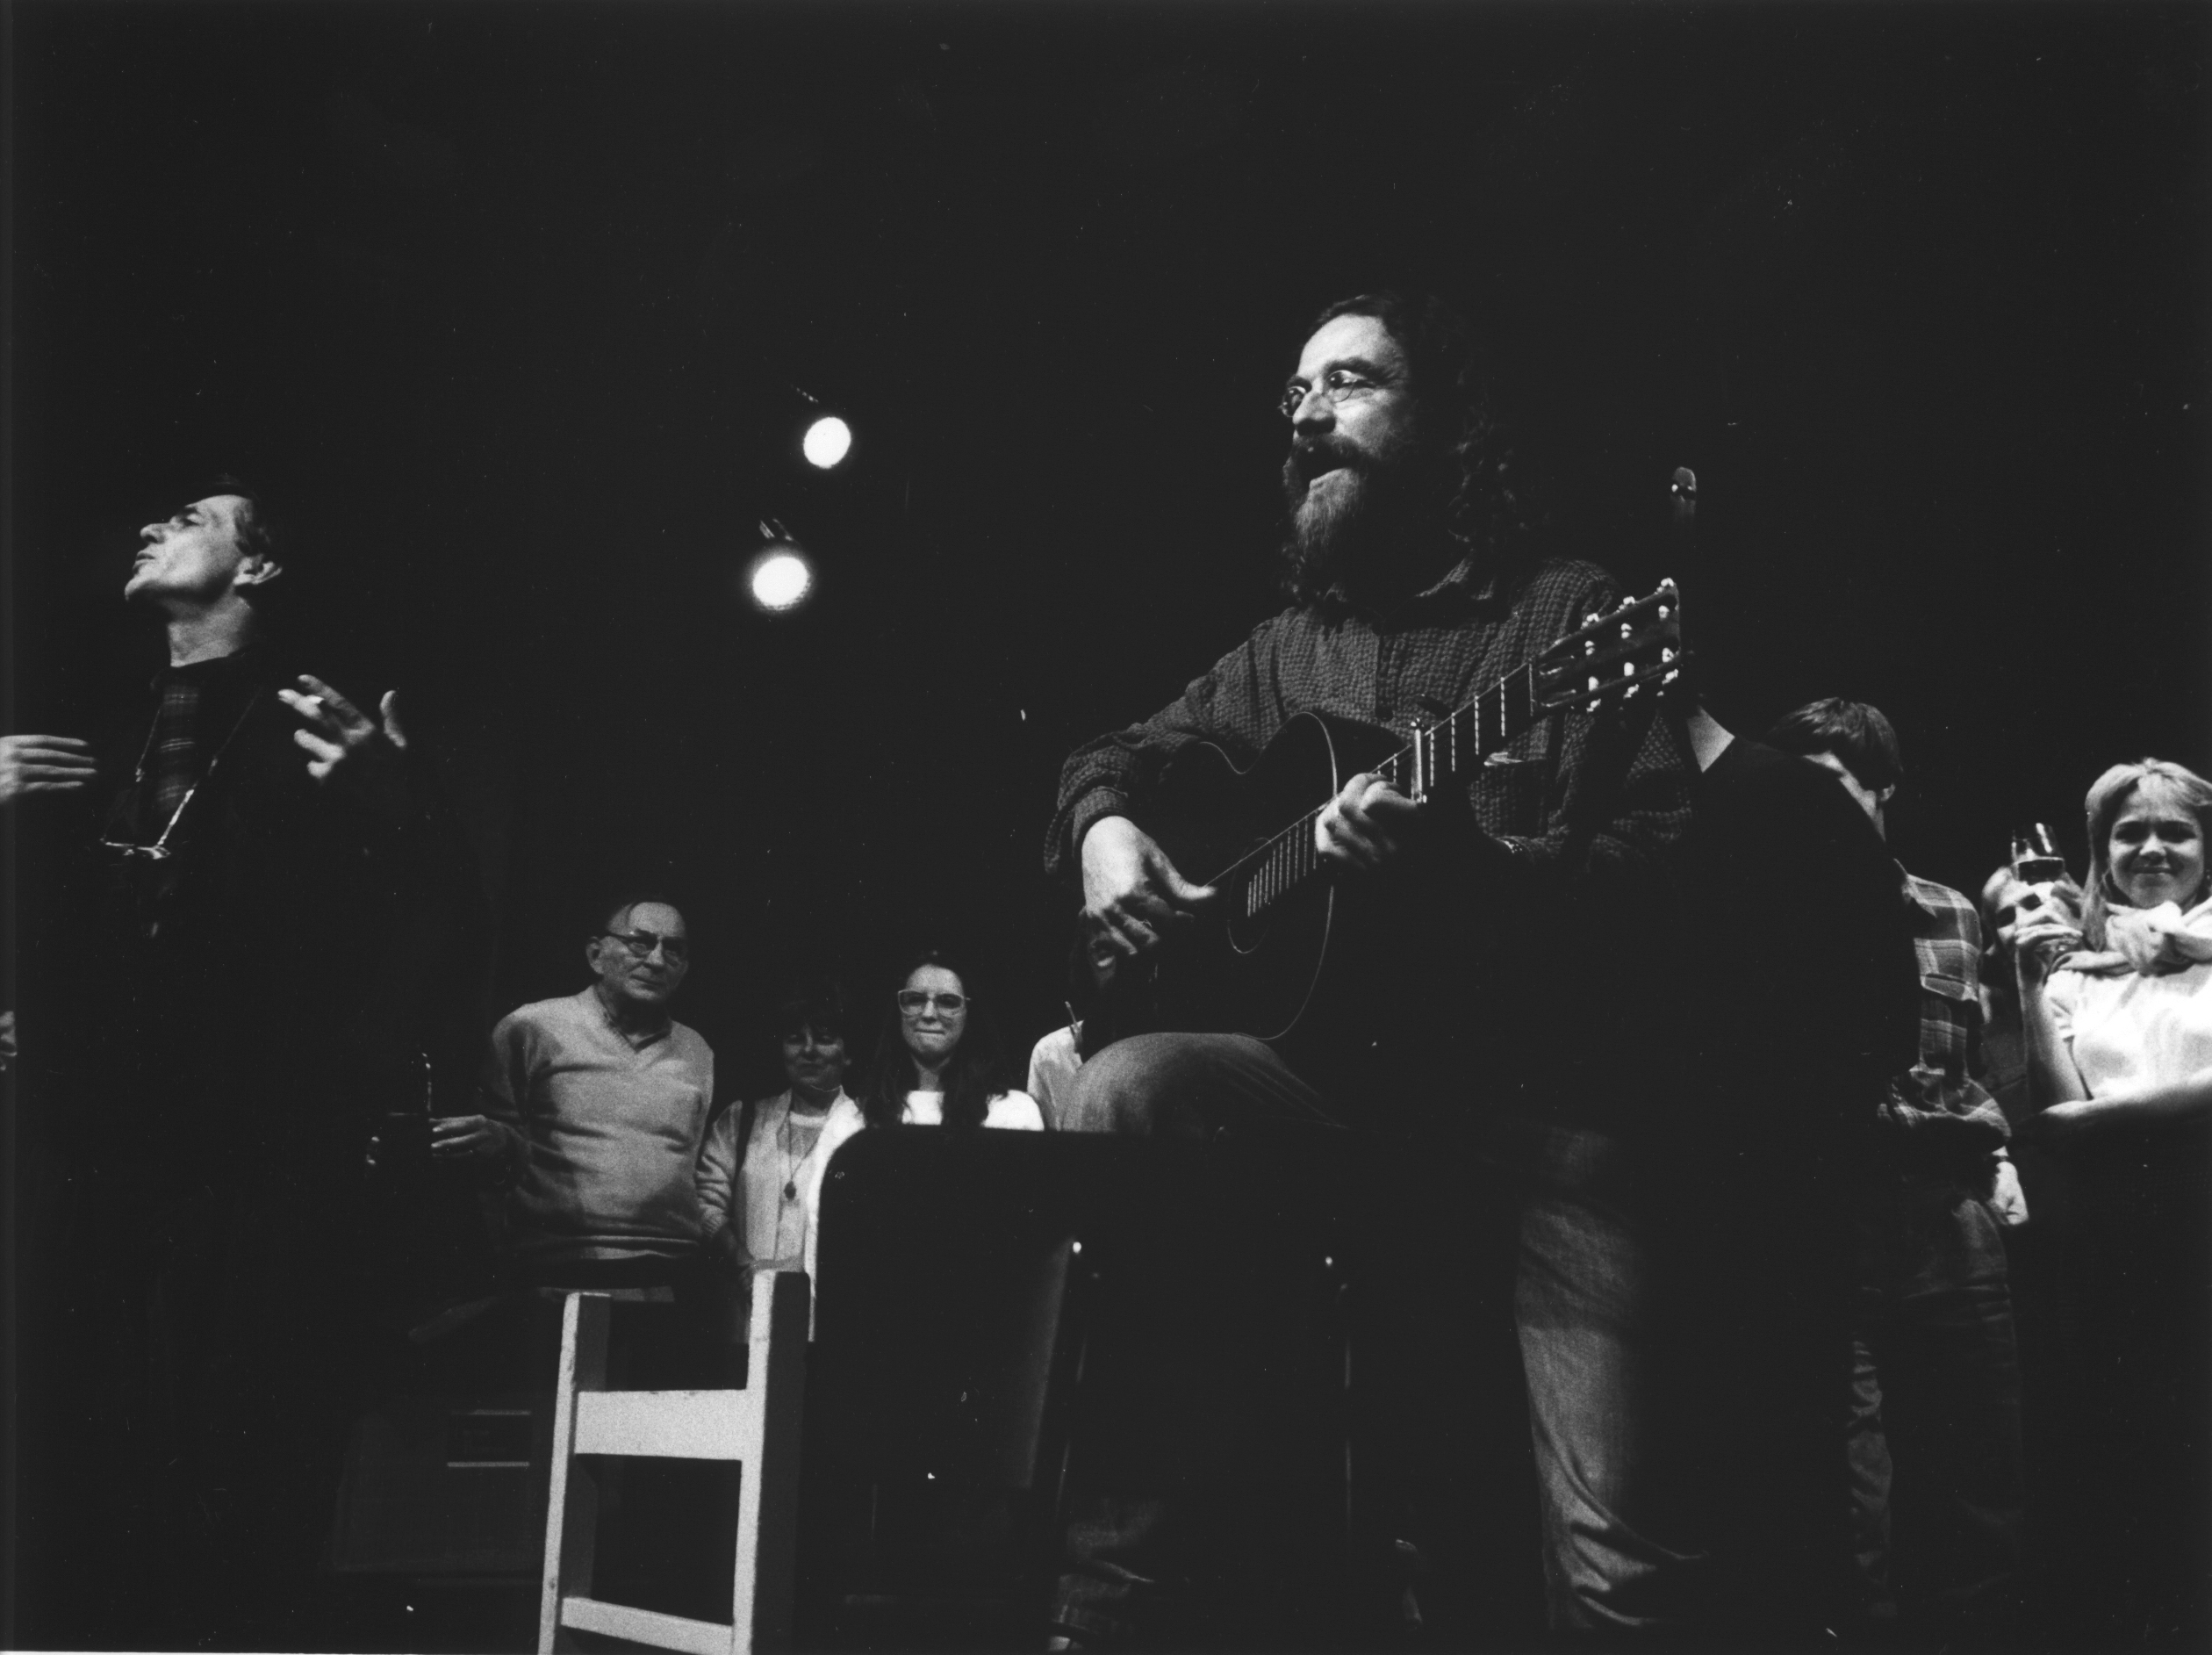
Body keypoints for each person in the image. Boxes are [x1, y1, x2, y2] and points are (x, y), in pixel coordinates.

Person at [1044, 290, 1694, 1646]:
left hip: (1536, 1108)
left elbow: (1656, 868)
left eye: (1350, 381)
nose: (1309, 414)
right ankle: (1143, 1551)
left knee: (1607, 1561)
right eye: (1295, 394)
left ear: (1445, 422)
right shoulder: (1291, 648)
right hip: (1349, 1103)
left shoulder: (1569, 614)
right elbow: (1110, 753)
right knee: (1121, 1081)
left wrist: (1466, 867)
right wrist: (1103, 829)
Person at [13, 482, 481, 1651]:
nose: (149, 528)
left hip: (251, 1156)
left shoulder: (314, 722)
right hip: (91, 1143)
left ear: (258, 567)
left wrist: (404, 801)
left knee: (235, 1455)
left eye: (190, 518)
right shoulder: (95, 728)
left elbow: (439, 925)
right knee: (79, 1446)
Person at [1763, 699, 2026, 1644]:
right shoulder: (1763, 911)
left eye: (1834, 787)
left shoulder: (1948, 911)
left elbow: (1973, 1061)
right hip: (1833, 1210)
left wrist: (1998, 1156)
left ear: (1882, 793)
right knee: (1849, 1487)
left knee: (1977, 1464)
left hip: (1946, 1210)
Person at [2007, 758, 2212, 1646]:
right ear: (2101, 851)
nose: (2153, 848)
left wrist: (2110, 1117)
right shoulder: (2080, 968)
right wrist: (2029, 983)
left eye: (2176, 831)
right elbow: (2056, 1100)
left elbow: (2087, 1116)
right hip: (2110, 1217)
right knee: (2120, 1431)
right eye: (2131, 832)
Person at [440, 895, 722, 1293]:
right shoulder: (532, 1027)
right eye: (640, 943)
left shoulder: (697, 1050)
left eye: (673, 949)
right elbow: (495, 1155)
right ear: (595, 954)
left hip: (671, 1272)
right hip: (557, 1267)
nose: (657, 960)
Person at [697, 976, 858, 1293]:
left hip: (829, 1305)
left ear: (847, 1052)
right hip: (745, 1303)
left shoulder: (865, 1131)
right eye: (796, 1039)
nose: (808, 1050)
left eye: (824, 1039)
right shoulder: (742, 1120)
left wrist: (797, 1269)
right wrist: (744, 1262)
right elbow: (704, 1201)